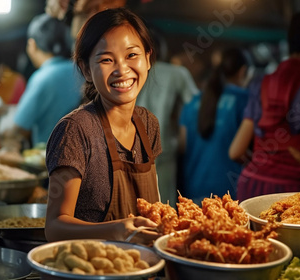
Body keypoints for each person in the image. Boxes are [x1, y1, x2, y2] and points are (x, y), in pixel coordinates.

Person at [45, 8, 161, 244]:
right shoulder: (75, 130)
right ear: (86, 69)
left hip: (143, 268)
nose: (122, 69)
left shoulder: (148, 124)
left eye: (132, 55)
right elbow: (54, 227)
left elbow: (154, 207)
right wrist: (116, 230)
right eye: (107, 60)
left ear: (148, 58)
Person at [229, 11, 300, 201]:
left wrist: (264, 163)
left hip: (251, 187)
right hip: (294, 194)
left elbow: (236, 151)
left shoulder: (260, 83)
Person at [179, 48, 254, 203]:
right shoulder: (245, 100)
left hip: (193, 192)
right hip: (230, 195)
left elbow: (182, 145)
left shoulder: (193, 101)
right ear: (242, 71)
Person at [0, 13, 82, 151]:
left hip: (52, 162)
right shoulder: (81, 71)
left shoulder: (42, 77)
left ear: (32, 44)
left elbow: (18, 128)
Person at [136, 29, 199, 207]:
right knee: (163, 206)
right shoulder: (176, 73)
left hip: (129, 149)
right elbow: (195, 106)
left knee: (134, 206)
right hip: (163, 150)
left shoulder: (130, 71)